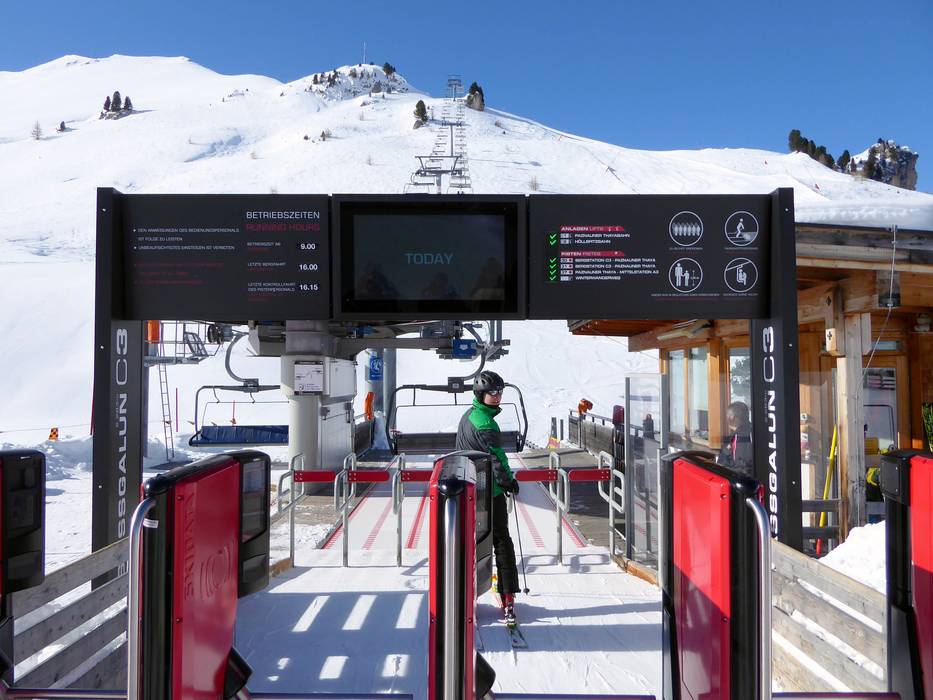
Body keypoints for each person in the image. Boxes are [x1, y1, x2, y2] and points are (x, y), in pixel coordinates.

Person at [455, 369, 520, 621]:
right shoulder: (485, 423)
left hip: (471, 488)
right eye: (492, 392)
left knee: (471, 540)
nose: (497, 396)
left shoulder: (470, 415)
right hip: (489, 491)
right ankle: (508, 593)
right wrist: (508, 482)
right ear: (480, 394)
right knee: (501, 540)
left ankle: (464, 589)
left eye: (500, 392)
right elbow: (497, 458)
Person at [717, 401, 753, 476]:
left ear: (732, 418)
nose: (726, 418)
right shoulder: (752, 430)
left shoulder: (738, 438)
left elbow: (742, 469)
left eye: (727, 415)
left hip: (735, 479)